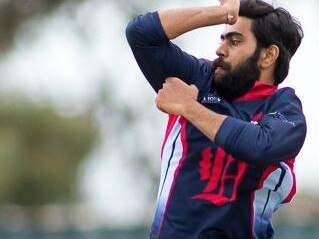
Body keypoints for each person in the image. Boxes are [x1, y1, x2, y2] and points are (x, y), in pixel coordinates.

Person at [126, 0, 307, 238]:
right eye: (222, 39)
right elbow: (140, 34)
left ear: (268, 56)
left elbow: (260, 146)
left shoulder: (284, 106)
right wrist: (221, 13)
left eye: (234, 41)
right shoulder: (200, 78)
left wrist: (189, 108)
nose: (220, 50)